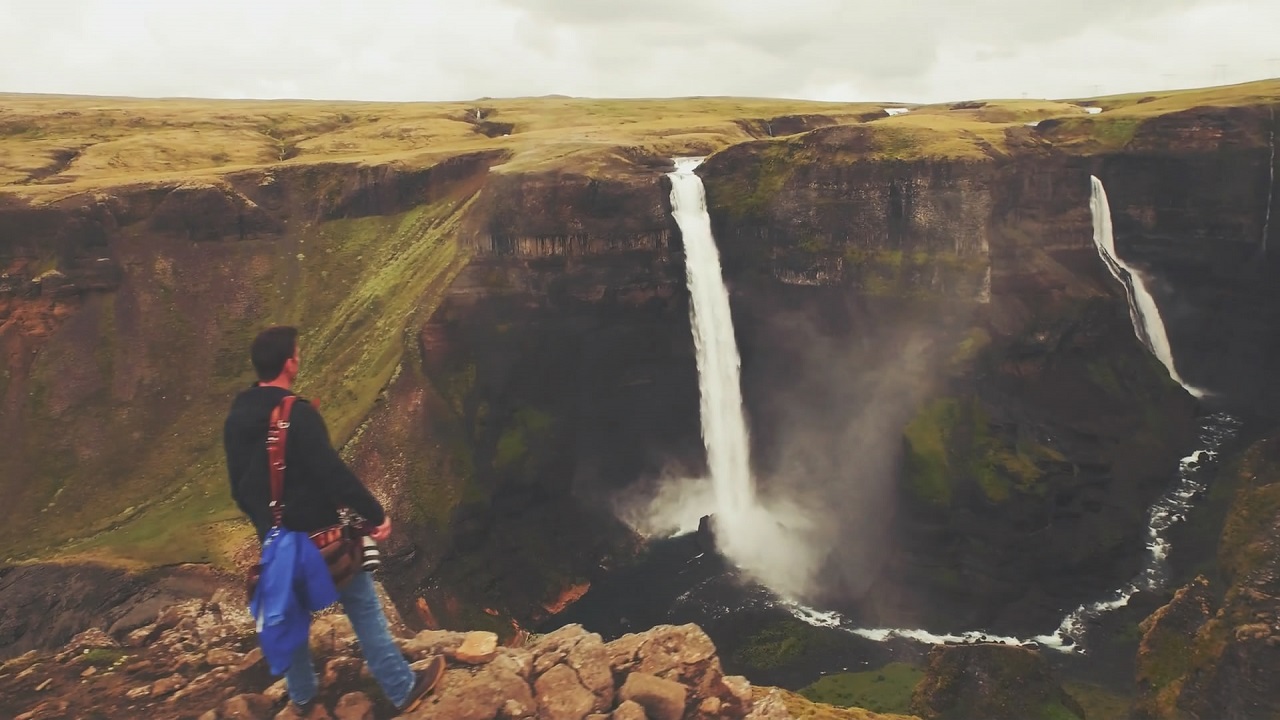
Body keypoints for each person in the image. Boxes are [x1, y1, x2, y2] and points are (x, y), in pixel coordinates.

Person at [223, 325, 443, 714]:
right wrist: (375, 516)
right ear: (290, 363)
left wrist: (268, 526)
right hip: (321, 539)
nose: (299, 357)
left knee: (290, 614)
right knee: (363, 605)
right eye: (298, 352)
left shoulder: (237, 416)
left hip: (277, 542)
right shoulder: (297, 414)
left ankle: (304, 696)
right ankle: (400, 687)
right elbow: (332, 474)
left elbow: (239, 488)